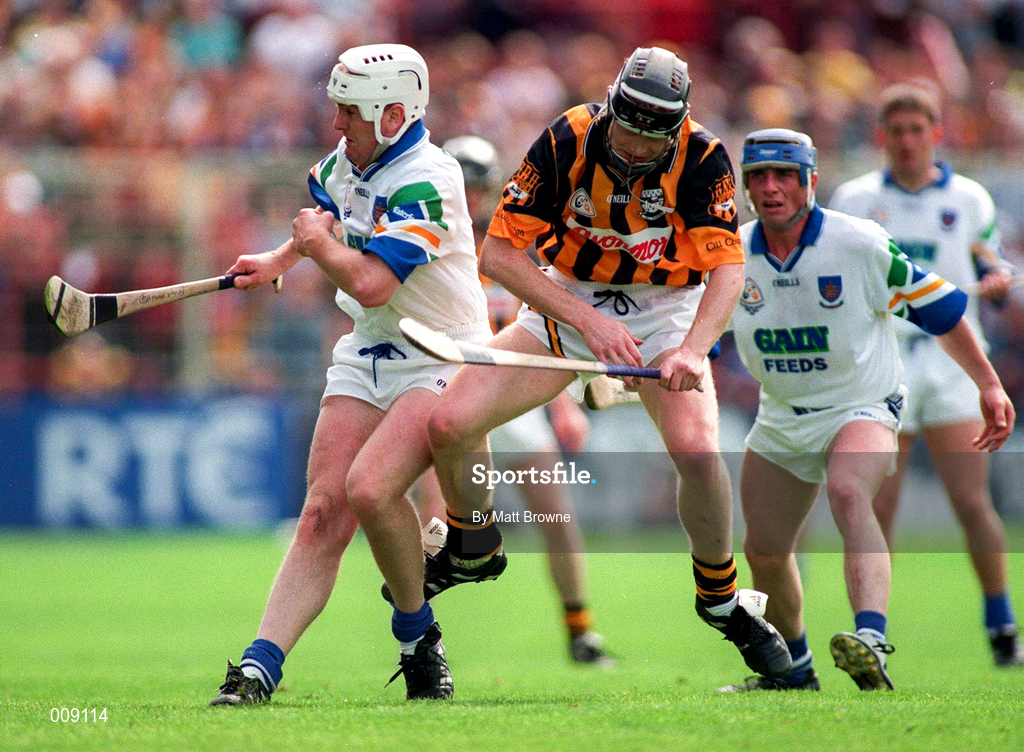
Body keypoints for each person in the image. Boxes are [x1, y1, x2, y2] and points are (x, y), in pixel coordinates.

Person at [423, 46, 793, 684]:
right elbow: (500, 256)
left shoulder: (703, 155)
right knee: (450, 423)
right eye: (629, 130)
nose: (638, 148)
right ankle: (474, 542)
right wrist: (590, 325)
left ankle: (720, 598)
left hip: (666, 308)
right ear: (612, 107)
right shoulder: (567, 138)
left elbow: (728, 271)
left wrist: (691, 350)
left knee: (697, 450)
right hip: (571, 298)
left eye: (655, 137)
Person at [210, 43, 492, 704]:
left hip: (441, 351)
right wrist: (281, 258)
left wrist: (313, 245)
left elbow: (369, 282)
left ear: (394, 115)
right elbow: (333, 214)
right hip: (370, 346)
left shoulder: (429, 178)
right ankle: (260, 668)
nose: (337, 123)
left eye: (351, 112)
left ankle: (427, 618)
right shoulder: (347, 161)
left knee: (370, 489)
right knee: (321, 512)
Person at [721, 128, 1015, 692]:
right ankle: (796, 671)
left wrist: (988, 384)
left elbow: (944, 310)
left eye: (784, 175)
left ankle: (872, 640)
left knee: (850, 492)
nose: (771, 187)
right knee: (764, 550)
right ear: (747, 186)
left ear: (810, 180)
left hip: (861, 404)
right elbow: (700, 335)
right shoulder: (730, 253)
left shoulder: (858, 243)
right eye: (758, 176)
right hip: (781, 415)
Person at [830, 83, 1023, 667]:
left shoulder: (967, 197)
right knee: (880, 503)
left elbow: (989, 258)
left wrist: (997, 279)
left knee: (971, 501)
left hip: (951, 360)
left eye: (918, 130)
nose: (908, 142)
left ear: (937, 133)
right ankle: (874, 634)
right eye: (897, 132)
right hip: (886, 358)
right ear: (881, 137)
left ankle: (1002, 626)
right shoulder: (856, 198)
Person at [414, 134, 613, 665]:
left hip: (512, 399)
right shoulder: (423, 243)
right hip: (449, 395)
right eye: (465, 186)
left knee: (556, 515)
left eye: (480, 186)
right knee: (435, 522)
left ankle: (580, 631)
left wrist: (563, 406)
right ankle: (420, 640)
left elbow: (542, 331)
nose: (473, 197)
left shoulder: (512, 248)